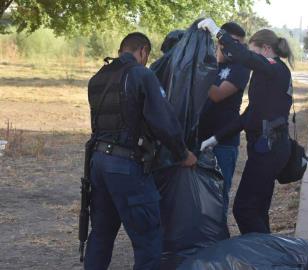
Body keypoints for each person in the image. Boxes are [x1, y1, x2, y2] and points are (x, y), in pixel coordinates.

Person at [84, 32, 197, 270]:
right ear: (143, 51)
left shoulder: (97, 78)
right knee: (148, 239)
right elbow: (163, 121)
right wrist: (182, 154)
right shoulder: (141, 74)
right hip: (126, 167)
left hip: (98, 164)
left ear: (120, 50)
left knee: (101, 234)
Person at [199, 19, 294, 234]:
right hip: (268, 147)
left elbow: (244, 57)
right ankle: (268, 258)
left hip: (269, 148)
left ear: (266, 49)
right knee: (257, 209)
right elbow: (249, 115)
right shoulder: (266, 75)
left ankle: (262, 259)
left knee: (245, 209)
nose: (249, 58)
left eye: (253, 51)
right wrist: (216, 138)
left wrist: (218, 32)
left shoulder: (275, 68)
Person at [198, 22, 250, 215]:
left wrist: (197, 73)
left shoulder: (241, 67)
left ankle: (217, 240)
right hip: (198, 139)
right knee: (197, 193)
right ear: (220, 40)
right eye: (231, 42)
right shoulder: (209, 63)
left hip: (223, 143)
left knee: (218, 195)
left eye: (239, 44)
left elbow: (217, 94)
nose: (235, 47)